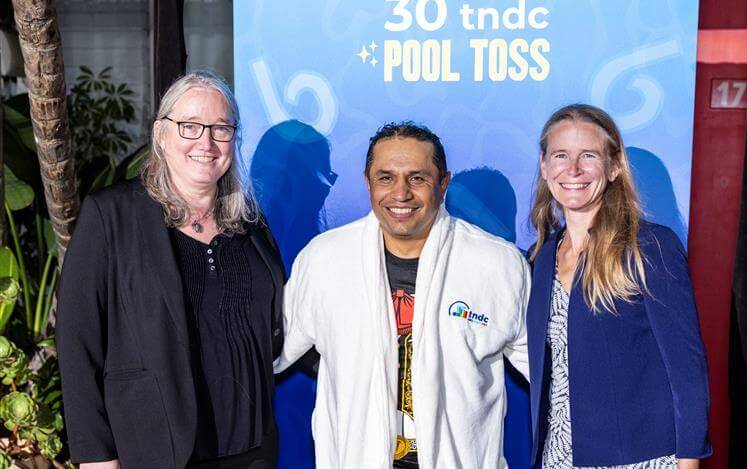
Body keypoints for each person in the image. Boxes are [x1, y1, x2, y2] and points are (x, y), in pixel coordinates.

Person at [56, 71, 285, 469]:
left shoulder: (250, 225)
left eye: (220, 128)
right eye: (190, 127)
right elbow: (78, 343)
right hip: (154, 452)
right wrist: (95, 457)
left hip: (251, 452)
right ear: (161, 135)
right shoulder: (111, 217)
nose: (206, 143)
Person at [275, 122, 530, 468]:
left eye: (417, 178)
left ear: (443, 183)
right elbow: (267, 352)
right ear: (367, 182)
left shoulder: (496, 265)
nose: (400, 193)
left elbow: (555, 373)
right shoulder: (325, 260)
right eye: (385, 178)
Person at [527, 104, 711, 469]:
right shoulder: (542, 258)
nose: (574, 169)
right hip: (558, 458)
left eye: (589, 156)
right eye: (561, 155)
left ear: (613, 167)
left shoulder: (650, 248)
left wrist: (689, 460)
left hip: (641, 460)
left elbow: (687, 371)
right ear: (545, 167)